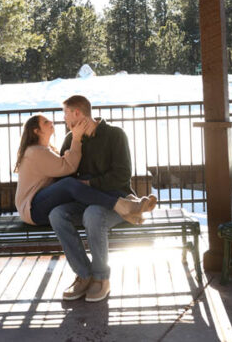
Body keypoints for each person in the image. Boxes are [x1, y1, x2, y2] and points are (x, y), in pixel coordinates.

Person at [48, 95, 156, 303]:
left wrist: (88, 184)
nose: (64, 119)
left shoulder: (115, 135)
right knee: (57, 214)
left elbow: (122, 175)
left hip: (115, 201)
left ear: (77, 113)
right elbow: (64, 177)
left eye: (66, 114)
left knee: (94, 213)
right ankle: (84, 275)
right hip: (84, 202)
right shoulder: (71, 139)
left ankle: (101, 278)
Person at [14, 114, 155, 228]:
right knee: (70, 183)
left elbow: (65, 168)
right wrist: (76, 138)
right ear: (36, 131)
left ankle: (129, 201)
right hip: (32, 209)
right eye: (45, 122)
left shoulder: (44, 150)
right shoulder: (35, 152)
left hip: (44, 202)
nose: (50, 121)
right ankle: (120, 204)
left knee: (83, 180)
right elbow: (69, 168)